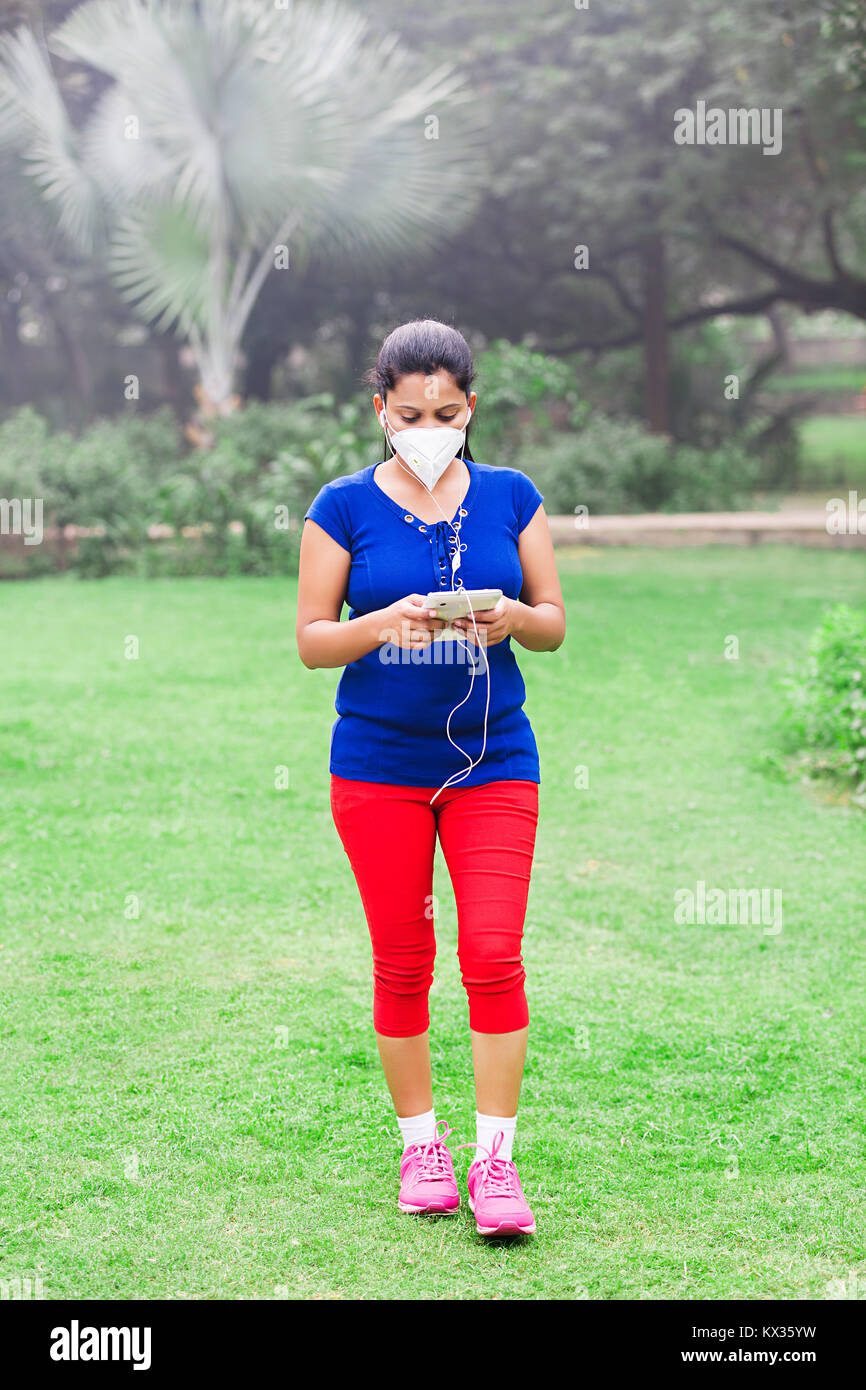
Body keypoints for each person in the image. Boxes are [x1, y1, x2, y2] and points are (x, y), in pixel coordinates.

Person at [296, 318, 566, 1236]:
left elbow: (556, 620)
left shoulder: (511, 495)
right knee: (404, 960)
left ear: (470, 408)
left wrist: (513, 620)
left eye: (446, 412)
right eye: (409, 412)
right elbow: (310, 640)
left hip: (496, 763)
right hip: (377, 769)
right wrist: (383, 623)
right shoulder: (341, 506)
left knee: (492, 955)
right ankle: (423, 1146)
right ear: (381, 411)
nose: (428, 426)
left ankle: (497, 1164)